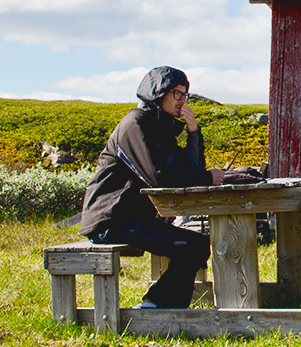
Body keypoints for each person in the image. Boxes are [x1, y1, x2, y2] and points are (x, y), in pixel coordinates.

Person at [79, 66, 226, 309]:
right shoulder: (135, 124)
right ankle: (156, 306)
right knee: (189, 247)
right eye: (177, 94)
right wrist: (206, 179)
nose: (182, 101)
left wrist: (193, 133)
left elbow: (189, 172)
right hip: (110, 220)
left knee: (199, 245)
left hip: (134, 218)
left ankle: (162, 306)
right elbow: (161, 180)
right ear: (158, 93)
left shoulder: (160, 127)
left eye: (185, 95)